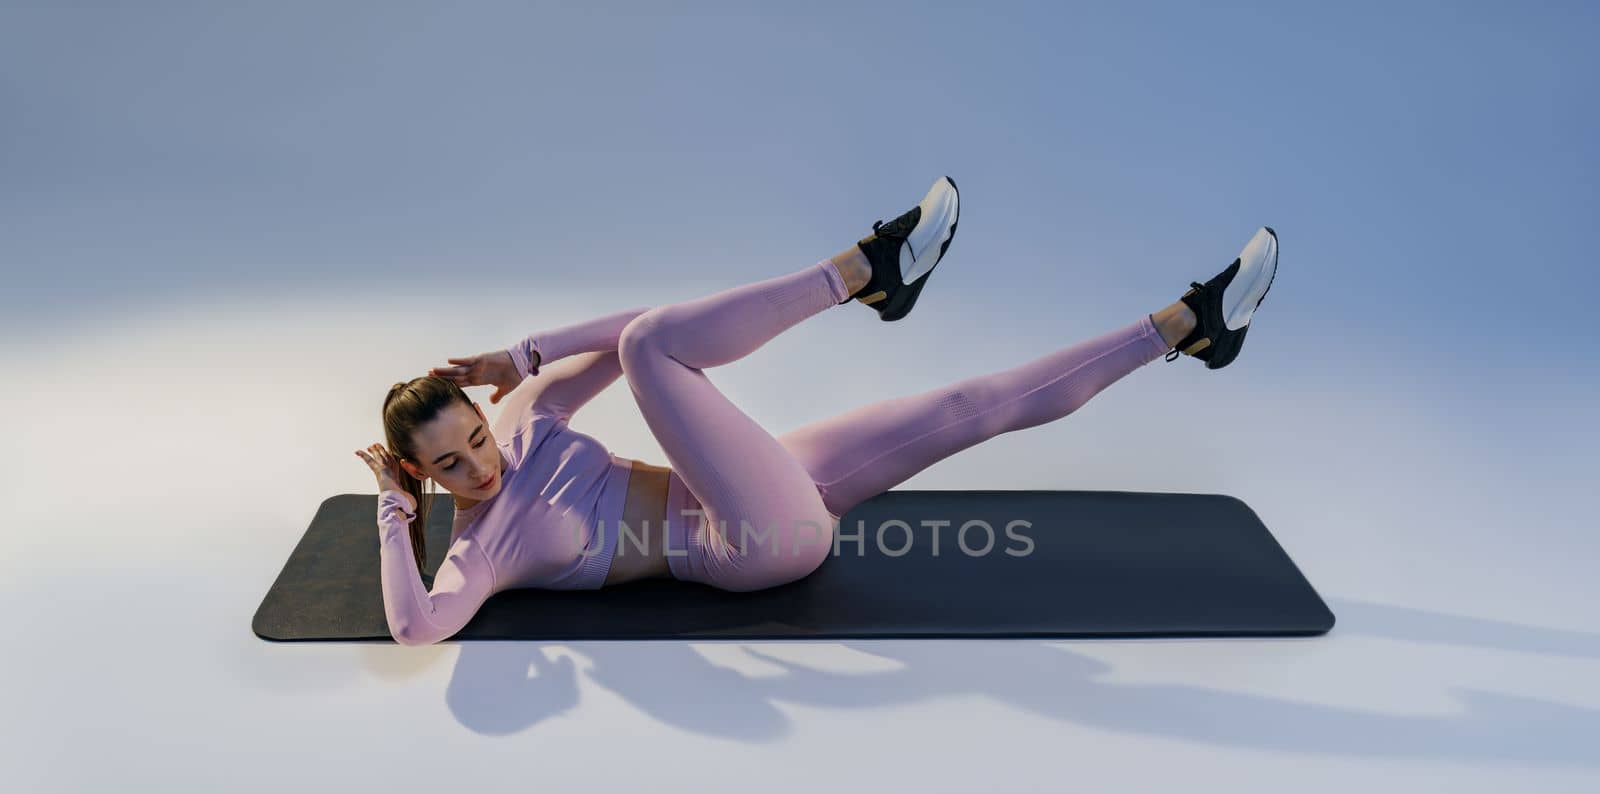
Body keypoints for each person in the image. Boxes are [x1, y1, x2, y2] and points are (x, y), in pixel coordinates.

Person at [355, 176, 1279, 646]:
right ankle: (861, 274)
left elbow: (637, 323)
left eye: (474, 434)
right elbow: (416, 627)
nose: (481, 464)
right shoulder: (481, 552)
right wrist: (395, 512)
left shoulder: (525, 424)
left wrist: (525, 356)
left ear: (483, 413)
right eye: (450, 465)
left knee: (961, 404)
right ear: (423, 474)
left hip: (752, 488)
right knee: (650, 354)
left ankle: (1184, 328)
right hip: (742, 544)